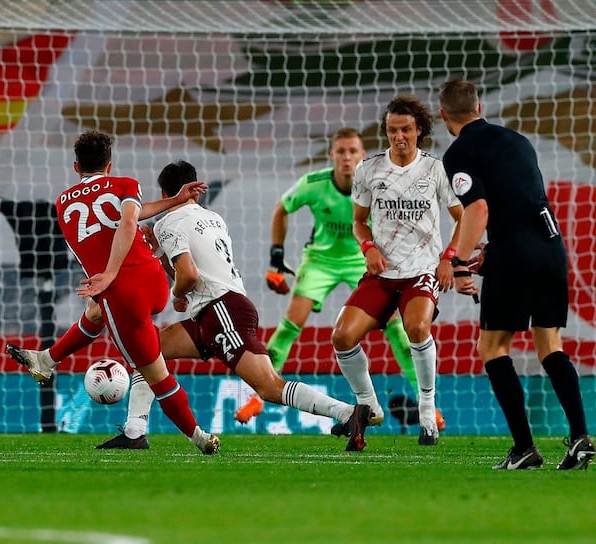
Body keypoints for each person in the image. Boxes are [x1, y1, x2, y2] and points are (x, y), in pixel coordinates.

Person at [12, 160, 373, 452]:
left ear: (164, 193)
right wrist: (160, 253)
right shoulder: (212, 218)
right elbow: (189, 260)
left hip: (220, 311)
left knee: (267, 386)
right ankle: (135, 431)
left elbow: (187, 273)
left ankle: (346, 412)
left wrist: (176, 294)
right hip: (220, 309)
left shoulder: (170, 222)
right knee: (150, 352)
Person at [6, 130, 221, 455]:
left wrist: (109, 274)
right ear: (110, 165)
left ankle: (199, 437)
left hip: (123, 294)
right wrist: (176, 200)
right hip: (153, 281)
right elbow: (130, 215)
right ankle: (46, 360)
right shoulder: (125, 184)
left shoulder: (63, 202)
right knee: (95, 312)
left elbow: (126, 224)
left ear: (76, 166)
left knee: (155, 374)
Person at [438, 78, 593, 470]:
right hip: (551, 246)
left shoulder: (459, 152)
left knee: (493, 347)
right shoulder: (518, 140)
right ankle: (580, 438)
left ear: (443, 115)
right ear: (479, 107)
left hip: (514, 252)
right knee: (550, 343)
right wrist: (492, 252)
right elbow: (519, 201)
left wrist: (459, 261)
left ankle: (524, 448)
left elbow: (478, 209)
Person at [249, 127, 446, 430]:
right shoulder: (313, 184)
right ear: (332, 154)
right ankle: (257, 395)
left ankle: (429, 406)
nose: (346, 157)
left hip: (362, 260)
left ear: (362, 154)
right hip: (320, 261)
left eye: (353, 151)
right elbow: (281, 209)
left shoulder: (378, 181)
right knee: (290, 324)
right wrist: (276, 257)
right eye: (341, 151)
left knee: (398, 328)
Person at [330, 94, 463, 447]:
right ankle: (370, 406)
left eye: (405, 129)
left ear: (419, 130)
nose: (398, 136)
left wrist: (449, 258)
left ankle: (427, 411)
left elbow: (462, 217)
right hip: (382, 274)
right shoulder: (368, 170)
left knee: (416, 327)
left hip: (421, 271)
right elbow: (359, 221)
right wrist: (368, 247)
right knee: (342, 336)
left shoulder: (436, 169)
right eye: (392, 130)